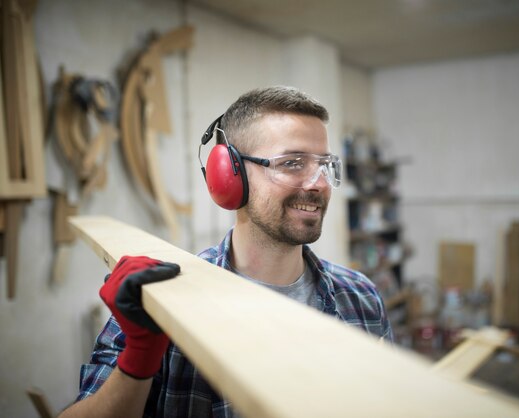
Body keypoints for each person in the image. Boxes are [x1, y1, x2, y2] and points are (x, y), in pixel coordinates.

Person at [59, 86, 393, 418]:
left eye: (324, 164)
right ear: (230, 174)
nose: (318, 183)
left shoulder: (360, 297)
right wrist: (141, 354)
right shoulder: (165, 301)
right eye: (292, 163)